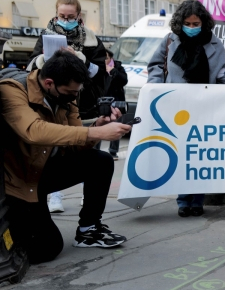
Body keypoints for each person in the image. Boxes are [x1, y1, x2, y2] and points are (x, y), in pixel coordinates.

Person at [0, 50, 131, 264]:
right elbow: (33, 131)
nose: (73, 96)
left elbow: (75, 145)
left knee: (100, 161)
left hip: (45, 170)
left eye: (76, 92)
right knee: (47, 248)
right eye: (70, 92)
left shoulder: (65, 95)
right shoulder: (12, 90)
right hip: (20, 182)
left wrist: (99, 125)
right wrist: (94, 133)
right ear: (49, 83)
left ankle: (89, 230)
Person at [147, 0, 225, 218]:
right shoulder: (170, 40)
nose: (191, 27)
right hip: (175, 105)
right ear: (180, 23)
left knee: (199, 154)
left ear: (204, 23)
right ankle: (183, 201)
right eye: (188, 23)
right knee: (180, 152)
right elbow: (155, 66)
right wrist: (153, 89)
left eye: (196, 23)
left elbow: (221, 76)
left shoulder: (215, 44)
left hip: (203, 106)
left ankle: (198, 200)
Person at [27, 0, 109, 213]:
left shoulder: (92, 40)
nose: (66, 20)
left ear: (79, 17)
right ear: (56, 15)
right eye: (62, 17)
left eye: (71, 17)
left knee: (89, 150)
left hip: (86, 105)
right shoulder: (45, 36)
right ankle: (54, 196)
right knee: (55, 151)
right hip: (54, 105)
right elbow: (31, 67)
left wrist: (80, 60)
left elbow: (102, 74)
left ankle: (88, 193)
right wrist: (45, 59)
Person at [98, 49, 128, 160]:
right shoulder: (98, 67)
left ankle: (113, 151)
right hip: (102, 101)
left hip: (116, 100)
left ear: (111, 58)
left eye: (106, 57)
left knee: (116, 124)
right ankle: (95, 150)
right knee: (98, 125)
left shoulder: (118, 67)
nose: (104, 60)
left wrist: (113, 71)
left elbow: (124, 80)